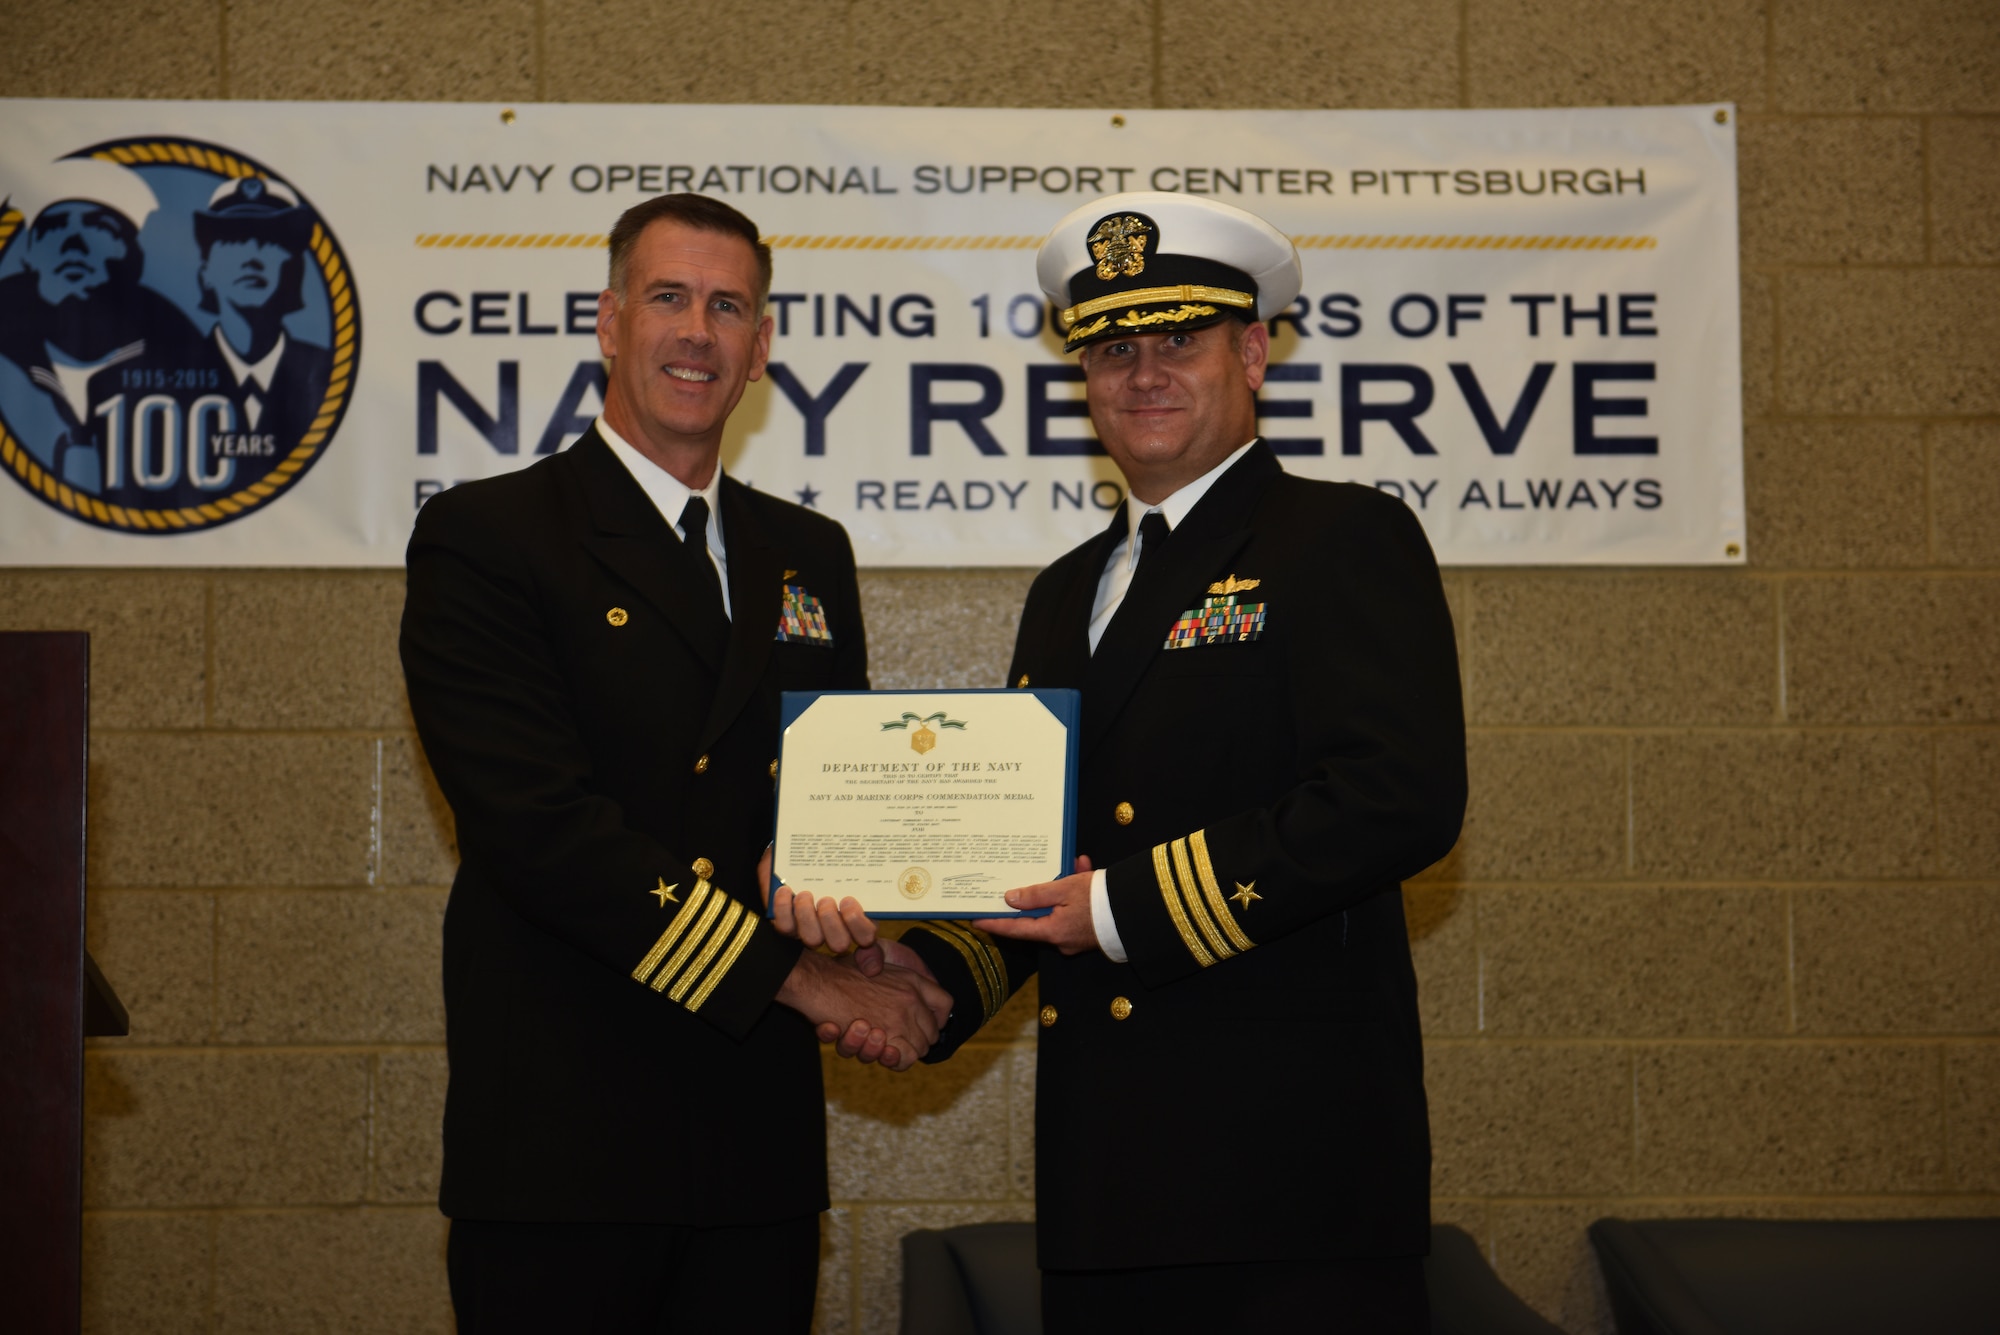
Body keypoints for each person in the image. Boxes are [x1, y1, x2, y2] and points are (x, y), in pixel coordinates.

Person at [775, 193, 1467, 1332]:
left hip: (1292, 1192)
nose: (1142, 374)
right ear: (1083, 378)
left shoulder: (1339, 539)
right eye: (1111, 348)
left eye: (1177, 343)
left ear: (1249, 353)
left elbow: (1397, 798)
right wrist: (930, 982)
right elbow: (1038, 863)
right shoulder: (1065, 593)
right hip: (1108, 1188)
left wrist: (1122, 910)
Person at [399, 192, 951, 1335]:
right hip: (566, 1147)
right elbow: (538, 830)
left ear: (759, 348)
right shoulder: (490, 536)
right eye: (667, 298)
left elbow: (820, 815)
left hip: (753, 1145)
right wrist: (801, 980)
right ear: (608, 323)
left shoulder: (806, 553)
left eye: (728, 306)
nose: (697, 330)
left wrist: (884, 937)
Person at [0, 158, 221, 495]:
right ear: (27, 254)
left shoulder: (183, 348)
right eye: (54, 227)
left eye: (100, 229)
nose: (73, 245)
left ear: (135, 258)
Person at [191, 175, 332, 451]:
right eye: (233, 241)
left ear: (294, 270)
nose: (252, 258)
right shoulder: (172, 372)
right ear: (206, 272)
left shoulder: (330, 374)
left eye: (271, 243)